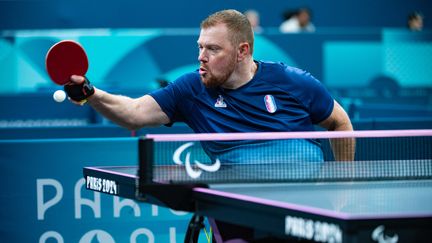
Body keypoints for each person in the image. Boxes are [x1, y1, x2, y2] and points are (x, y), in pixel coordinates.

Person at [65, 9, 354, 163]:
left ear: (242, 51)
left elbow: (340, 123)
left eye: (213, 49)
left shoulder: (292, 81)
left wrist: (344, 189)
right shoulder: (192, 89)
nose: (200, 57)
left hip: (306, 209)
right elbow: (135, 112)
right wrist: (90, 93)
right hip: (238, 211)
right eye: (200, 47)